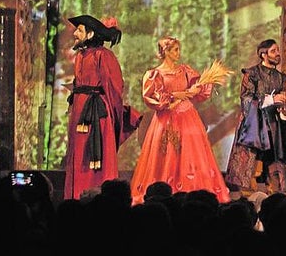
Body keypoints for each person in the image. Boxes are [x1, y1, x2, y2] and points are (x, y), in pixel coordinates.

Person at [130, 36, 230, 203]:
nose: (178, 53)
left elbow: (201, 92)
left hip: (188, 117)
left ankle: (190, 193)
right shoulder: (155, 74)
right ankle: (165, 193)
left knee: (190, 155)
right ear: (166, 52)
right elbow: (151, 98)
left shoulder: (185, 70)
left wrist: (201, 86)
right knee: (167, 155)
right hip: (165, 121)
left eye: (178, 49)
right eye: (175, 50)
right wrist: (175, 95)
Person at [63, 14, 132, 200]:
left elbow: (114, 87)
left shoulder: (103, 55)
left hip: (97, 114)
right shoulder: (80, 56)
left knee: (96, 153)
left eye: (80, 30)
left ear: (91, 33)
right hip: (79, 111)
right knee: (78, 154)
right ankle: (76, 196)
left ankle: (101, 198)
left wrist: (114, 113)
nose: (76, 33)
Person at [225, 38, 286, 194]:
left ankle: (274, 195)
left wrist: (284, 111)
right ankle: (248, 198)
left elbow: (281, 100)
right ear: (263, 55)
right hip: (254, 127)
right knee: (252, 165)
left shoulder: (280, 77)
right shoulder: (251, 74)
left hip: (273, 126)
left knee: (273, 163)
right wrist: (270, 99)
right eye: (273, 51)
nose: (278, 54)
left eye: (278, 51)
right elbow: (246, 99)